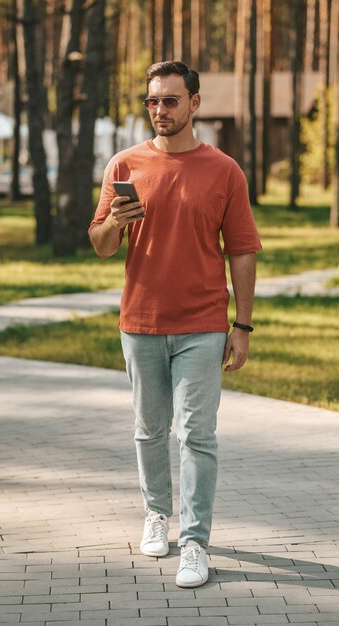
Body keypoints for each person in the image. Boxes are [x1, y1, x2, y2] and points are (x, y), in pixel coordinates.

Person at [88, 60, 262, 588]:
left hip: (204, 324)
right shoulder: (124, 164)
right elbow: (99, 245)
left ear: (194, 104)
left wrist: (243, 326)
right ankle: (156, 514)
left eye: (169, 100)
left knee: (197, 435)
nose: (158, 110)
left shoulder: (224, 169)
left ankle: (195, 542)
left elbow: (243, 251)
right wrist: (114, 221)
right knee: (148, 430)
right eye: (152, 101)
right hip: (139, 322)